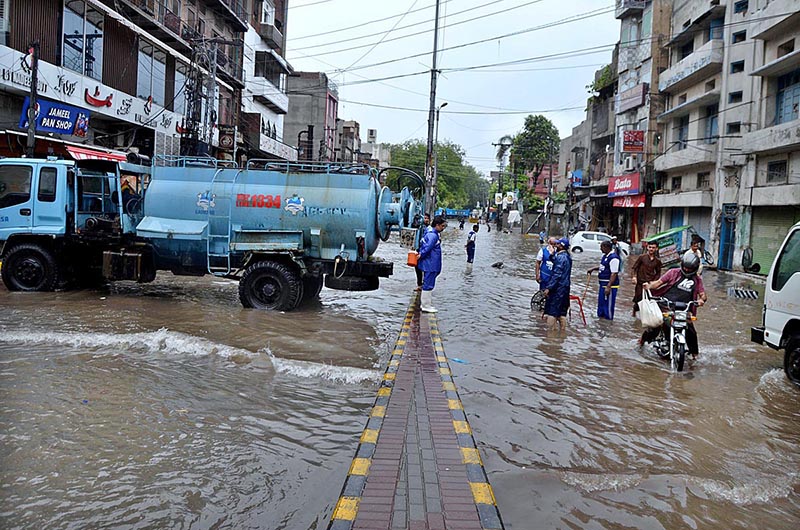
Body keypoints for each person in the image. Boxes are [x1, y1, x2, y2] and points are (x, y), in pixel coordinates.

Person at [640, 252, 708, 359]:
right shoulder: (673, 273)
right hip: (666, 305)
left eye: (689, 269)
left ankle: (695, 355)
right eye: (685, 268)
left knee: (691, 331)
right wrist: (649, 285)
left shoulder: (697, 280)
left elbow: (703, 295)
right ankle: (642, 341)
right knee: (655, 326)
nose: (687, 270)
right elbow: (658, 283)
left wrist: (701, 300)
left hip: (684, 309)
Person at [417, 215, 447, 313]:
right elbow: (427, 248)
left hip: (430, 263)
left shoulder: (430, 232)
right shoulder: (433, 235)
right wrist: (421, 255)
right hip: (431, 263)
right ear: (437, 225)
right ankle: (426, 305)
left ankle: (426, 304)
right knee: (428, 284)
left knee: (428, 283)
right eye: (442, 226)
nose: (443, 228)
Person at [542, 238, 572, 330]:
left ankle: (550, 336)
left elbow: (557, 275)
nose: (555, 245)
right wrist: (552, 255)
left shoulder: (561, 257)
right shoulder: (567, 256)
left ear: (561, 246)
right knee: (562, 313)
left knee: (552, 312)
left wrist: (549, 288)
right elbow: (556, 261)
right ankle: (562, 334)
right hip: (565, 288)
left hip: (558, 288)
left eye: (557, 244)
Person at [588, 240, 621, 320]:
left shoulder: (614, 258)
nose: (600, 249)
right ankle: (601, 322)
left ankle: (608, 322)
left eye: (601, 247)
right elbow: (604, 267)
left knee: (608, 306)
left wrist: (609, 286)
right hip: (602, 284)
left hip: (609, 286)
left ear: (606, 247)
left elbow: (614, 273)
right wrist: (593, 269)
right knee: (601, 305)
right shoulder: (605, 256)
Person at [630, 241, 662, 316]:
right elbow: (634, 268)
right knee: (638, 299)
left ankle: (645, 316)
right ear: (647, 247)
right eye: (650, 247)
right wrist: (634, 277)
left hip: (649, 284)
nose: (651, 249)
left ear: (656, 249)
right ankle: (634, 314)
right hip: (640, 283)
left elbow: (658, 272)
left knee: (649, 300)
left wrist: (653, 282)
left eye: (653, 248)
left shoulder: (657, 261)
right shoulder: (642, 257)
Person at [414, 213, 431, 291]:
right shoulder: (418, 228)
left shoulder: (430, 229)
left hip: (426, 251)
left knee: (426, 268)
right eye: (424, 218)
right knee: (417, 267)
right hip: (418, 249)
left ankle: (426, 284)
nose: (426, 220)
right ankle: (419, 284)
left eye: (427, 218)